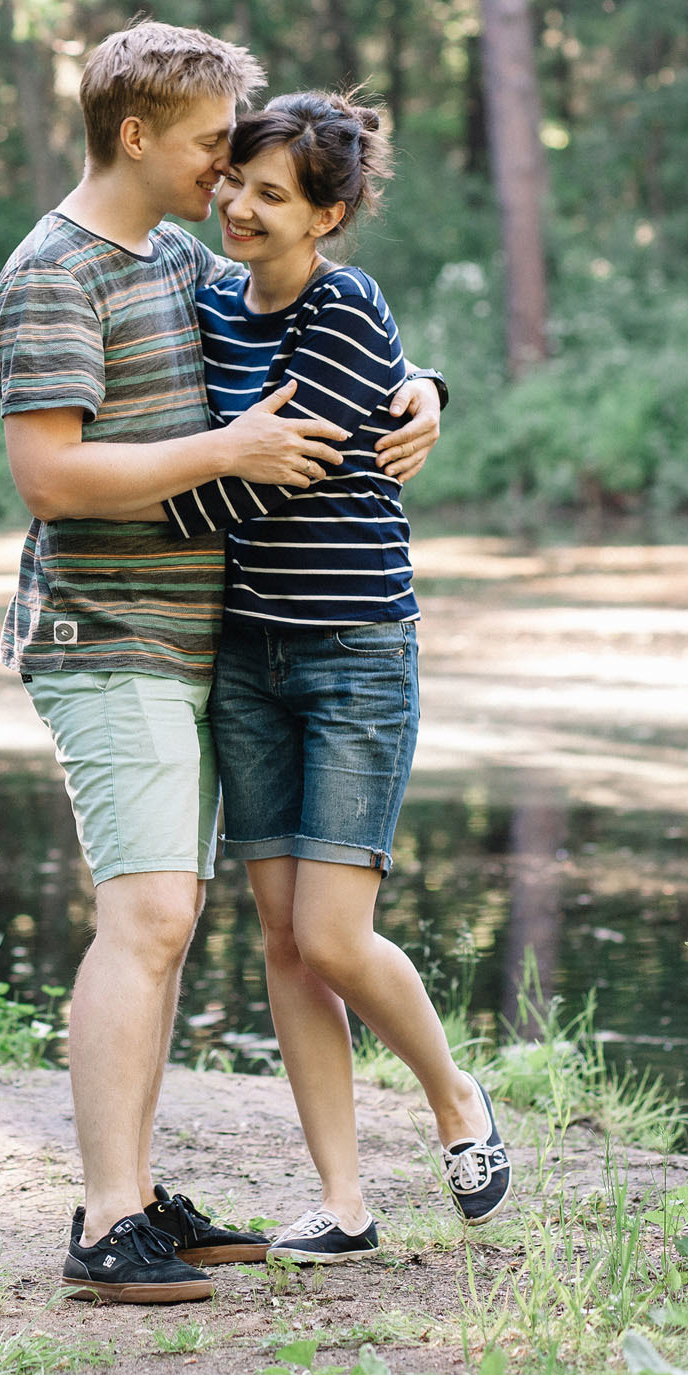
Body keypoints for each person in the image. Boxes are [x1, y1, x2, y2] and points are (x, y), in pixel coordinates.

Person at [0, 24, 445, 1305]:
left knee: (171, 922)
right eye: (208, 146)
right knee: (150, 918)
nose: (224, 171)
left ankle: (134, 1200)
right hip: (107, 635)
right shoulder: (51, 274)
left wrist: (420, 386)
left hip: (203, 644)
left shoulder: (180, 254)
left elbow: (307, 321)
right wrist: (228, 454)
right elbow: (51, 476)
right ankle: (105, 1223)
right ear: (137, 135)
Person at [157, 92, 511, 1263]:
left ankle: (456, 1097)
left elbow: (277, 467)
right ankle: (345, 1201)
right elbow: (243, 434)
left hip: (357, 649)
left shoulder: (345, 301)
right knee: (281, 937)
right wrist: (430, 380)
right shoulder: (210, 296)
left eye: (272, 193)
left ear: (330, 213)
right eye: (237, 182)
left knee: (335, 934)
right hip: (247, 655)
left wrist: (124, 500)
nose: (240, 206)